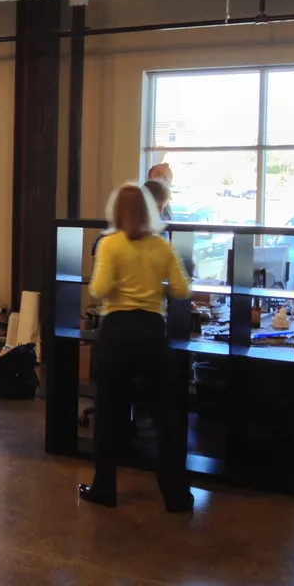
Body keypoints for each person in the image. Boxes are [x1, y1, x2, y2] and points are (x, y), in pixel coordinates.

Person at [79, 183, 193, 513]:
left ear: (116, 211)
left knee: (110, 415)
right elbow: (183, 289)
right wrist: (153, 285)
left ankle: (105, 489)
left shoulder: (110, 244)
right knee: (164, 419)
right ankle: (177, 496)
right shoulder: (162, 246)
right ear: (148, 209)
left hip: (117, 333)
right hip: (151, 333)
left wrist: (118, 279)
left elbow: (99, 289)